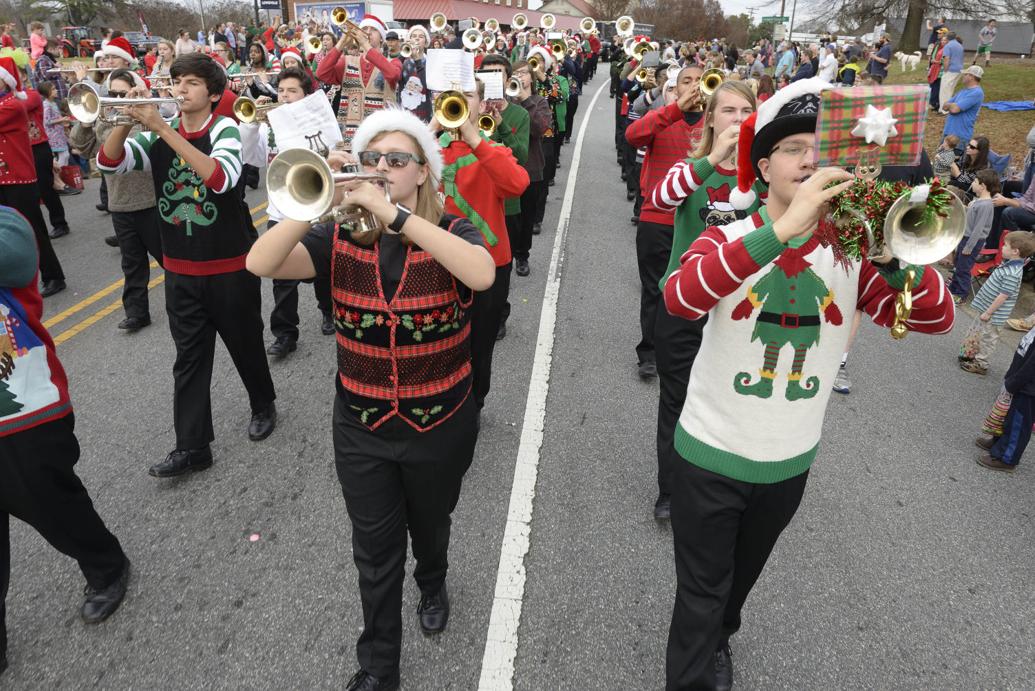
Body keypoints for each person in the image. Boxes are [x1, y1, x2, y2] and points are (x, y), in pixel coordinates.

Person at [661, 77, 955, 690]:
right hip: (709, 454)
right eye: (794, 147)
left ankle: (721, 636)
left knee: (738, 584)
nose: (809, 159)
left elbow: (936, 319)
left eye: (820, 150)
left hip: (788, 463)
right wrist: (781, 230)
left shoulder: (851, 253)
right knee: (700, 592)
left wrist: (895, 254)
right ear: (764, 166)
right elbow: (681, 299)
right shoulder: (728, 233)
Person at [245, 108, 495, 691]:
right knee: (375, 551)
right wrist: (314, 200)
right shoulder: (336, 235)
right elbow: (260, 262)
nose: (382, 168)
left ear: (424, 172)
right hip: (362, 423)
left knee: (430, 524)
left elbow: (482, 274)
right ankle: (380, 667)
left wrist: (395, 216)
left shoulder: (452, 230)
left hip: (441, 422)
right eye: (372, 159)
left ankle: (432, 578)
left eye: (397, 159)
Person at [97, 53, 277, 477]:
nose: (180, 89)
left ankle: (262, 403)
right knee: (189, 360)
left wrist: (162, 128)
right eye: (177, 81)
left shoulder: (224, 128)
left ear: (213, 93)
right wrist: (127, 116)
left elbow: (221, 179)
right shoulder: (157, 133)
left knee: (245, 343)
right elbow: (109, 163)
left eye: (192, 82)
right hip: (180, 270)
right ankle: (193, 446)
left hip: (229, 266)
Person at [0, 206, 131, 676]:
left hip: (22, 402)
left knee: (49, 500)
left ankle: (106, 565)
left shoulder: (8, 223)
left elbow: (16, 258)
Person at [649, 80, 760, 520]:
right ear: (711, 118)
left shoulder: (765, 176)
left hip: (740, 312)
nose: (738, 119)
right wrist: (714, 158)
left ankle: (720, 486)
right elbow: (660, 198)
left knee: (732, 403)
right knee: (676, 400)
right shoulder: (690, 168)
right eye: (729, 111)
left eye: (746, 111)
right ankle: (671, 490)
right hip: (684, 308)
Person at [436, 77, 529, 410]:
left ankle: (474, 402)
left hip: (489, 261)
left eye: (468, 95)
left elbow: (517, 184)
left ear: (481, 102)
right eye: (451, 95)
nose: (461, 101)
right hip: (437, 258)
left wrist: (473, 137)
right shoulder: (428, 149)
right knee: (438, 340)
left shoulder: (494, 150)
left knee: (480, 343)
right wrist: (430, 129)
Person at [238, 67, 334, 357]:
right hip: (281, 212)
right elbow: (250, 157)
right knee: (282, 280)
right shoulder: (269, 127)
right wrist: (252, 123)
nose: (284, 96)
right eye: (280, 91)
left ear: (305, 95)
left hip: (318, 209)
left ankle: (328, 310)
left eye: (292, 91)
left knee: (323, 270)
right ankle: (284, 333)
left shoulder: (317, 120)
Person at [625, 65, 705, 380]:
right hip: (657, 218)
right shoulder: (662, 117)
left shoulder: (715, 125)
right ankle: (649, 352)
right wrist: (674, 109)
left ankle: (683, 351)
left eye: (700, 80)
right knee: (654, 289)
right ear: (674, 88)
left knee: (695, 290)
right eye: (687, 81)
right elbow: (633, 136)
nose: (695, 86)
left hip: (699, 221)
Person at [70, 68, 163, 333]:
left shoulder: (147, 117)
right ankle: (136, 313)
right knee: (132, 264)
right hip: (120, 203)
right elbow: (82, 148)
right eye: (112, 93)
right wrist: (86, 120)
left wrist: (135, 112)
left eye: (123, 94)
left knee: (169, 259)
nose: (117, 99)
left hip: (151, 201)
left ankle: (192, 301)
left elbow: (139, 146)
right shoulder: (105, 120)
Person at [0, 56, 65, 298]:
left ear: (5, 82)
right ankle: (13, 282)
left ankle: (53, 276)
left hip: (19, 179)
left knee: (33, 230)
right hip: (2, 179)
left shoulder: (13, 104)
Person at [315, 14, 400, 148]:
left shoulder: (393, 62)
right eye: (364, 28)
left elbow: (393, 75)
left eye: (373, 29)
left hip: (381, 136)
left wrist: (366, 45)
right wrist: (341, 43)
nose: (368, 32)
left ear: (382, 38)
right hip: (351, 137)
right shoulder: (347, 61)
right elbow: (321, 73)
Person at [959, 232, 1035, 375]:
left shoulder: (1013, 272)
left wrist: (989, 312)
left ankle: (981, 363)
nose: (1002, 248)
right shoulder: (1008, 264)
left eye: (1005, 245)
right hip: (988, 309)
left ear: (1015, 251)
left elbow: (1003, 296)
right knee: (979, 332)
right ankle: (970, 353)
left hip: (995, 314)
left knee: (988, 338)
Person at [509, 59, 551, 278]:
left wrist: (525, 99)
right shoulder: (504, 101)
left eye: (524, 73)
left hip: (530, 168)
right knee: (509, 218)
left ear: (531, 78)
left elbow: (540, 129)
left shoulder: (539, 102)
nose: (520, 77)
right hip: (507, 167)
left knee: (526, 218)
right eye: (515, 73)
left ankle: (522, 255)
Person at [975, 324, 1035, 472]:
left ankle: (1006, 457)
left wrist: (1015, 382)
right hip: (1019, 377)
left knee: (1018, 422)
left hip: (1028, 387)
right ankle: (999, 441)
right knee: (1007, 414)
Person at [948, 169, 998, 302]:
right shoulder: (979, 201)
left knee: (963, 269)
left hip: (972, 241)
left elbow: (978, 229)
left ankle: (961, 294)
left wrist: (969, 247)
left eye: (975, 181)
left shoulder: (986, 205)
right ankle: (953, 289)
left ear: (983, 186)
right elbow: (971, 216)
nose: (972, 184)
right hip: (966, 238)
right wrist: (963, 207)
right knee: (958, 265)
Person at [396, 25, 430, 122]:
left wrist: (417, 59)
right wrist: (402, 54)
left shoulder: (430, 61)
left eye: (421, 36)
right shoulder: (403, 61)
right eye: (414, 36)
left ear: (426, 43)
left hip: (424, 114)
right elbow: (391, 72)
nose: (417, 39)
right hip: (403, 114)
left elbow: (426, 84)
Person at [938, 32, 964, 115]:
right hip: (959, 70)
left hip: (951, 70)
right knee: (950, 90)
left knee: (944, 90)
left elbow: (947, 58)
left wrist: (945, 69)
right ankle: (948, 107)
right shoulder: (960, 45)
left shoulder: (948, 46)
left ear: (947, 38)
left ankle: (943, 110)